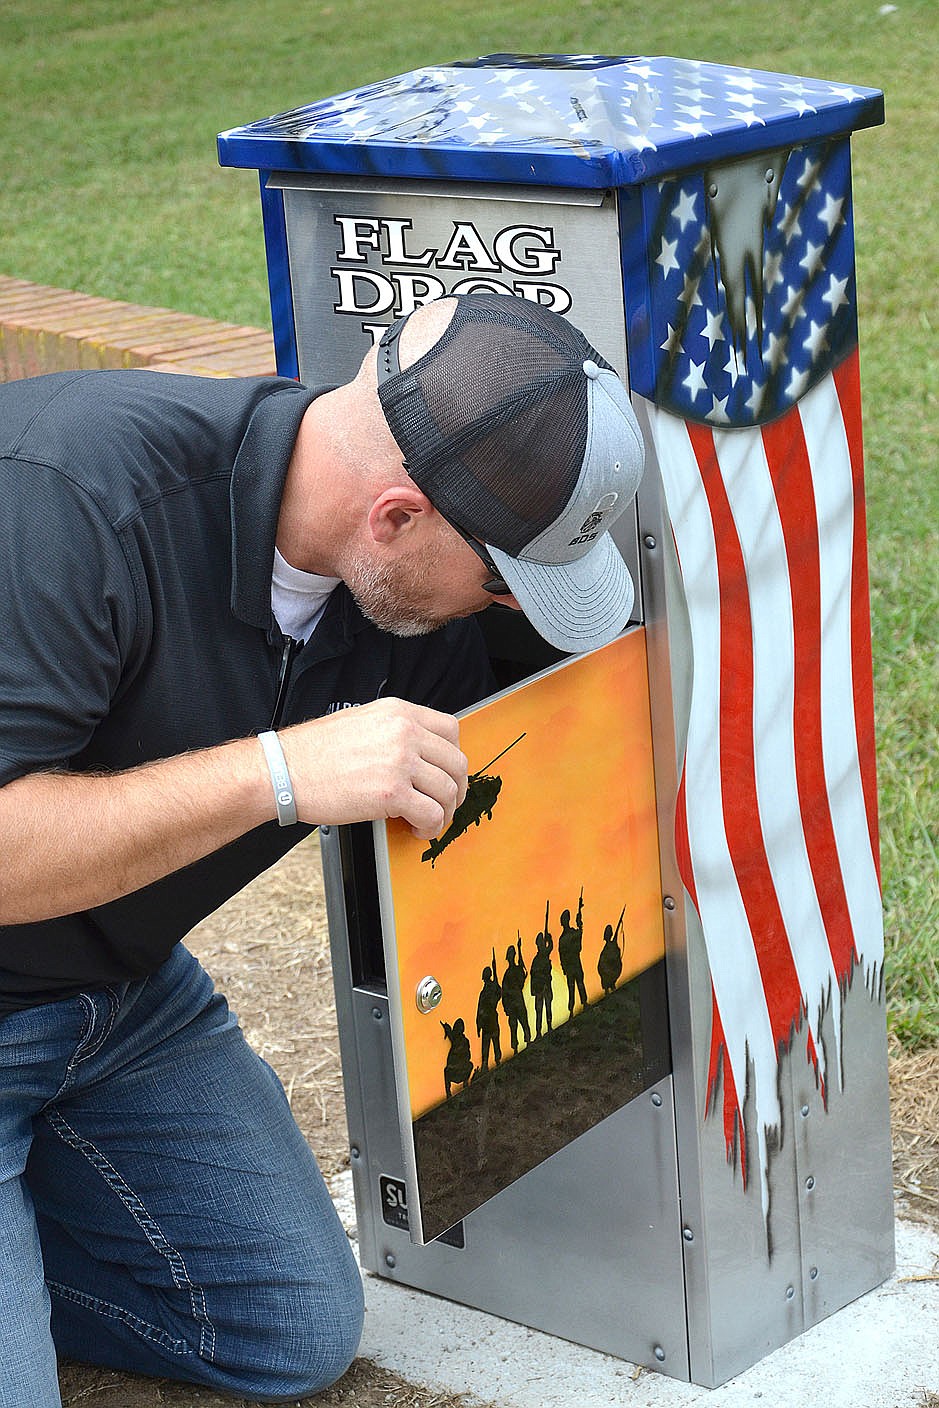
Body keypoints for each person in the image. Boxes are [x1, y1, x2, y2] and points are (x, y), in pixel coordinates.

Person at [0, 291, 644, 1405]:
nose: (507, 612)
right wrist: (282, 771)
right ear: (397, 517)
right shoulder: (66, 498)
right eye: (503, 581)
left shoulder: (396, 593)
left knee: (287, 1331)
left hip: (117, 993)